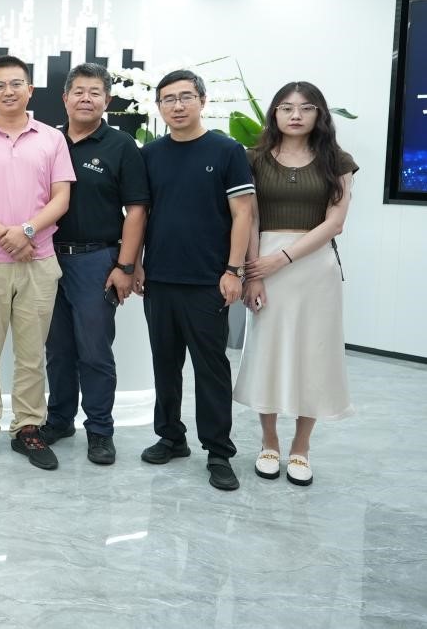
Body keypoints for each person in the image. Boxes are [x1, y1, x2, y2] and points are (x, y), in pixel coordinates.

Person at [0, 54, 74, 470]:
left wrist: (27, 232)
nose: (9, 91)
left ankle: (28, 428)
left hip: (38, 260)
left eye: (16, 83)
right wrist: (8, 236)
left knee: (32, 354)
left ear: (30, 90)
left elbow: (61, 197)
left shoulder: (51, 139)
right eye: (0, 85)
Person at [135, 69, 255, 492]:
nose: (178, 105)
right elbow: (142, 214)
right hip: (160, 278)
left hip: (209, 281)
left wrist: (234, 270)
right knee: (165, 365)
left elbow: (243, 213)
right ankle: (171, 436)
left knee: (211, 368)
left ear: (203, 101)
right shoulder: (150, 154)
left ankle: (219, 451)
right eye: (168, 99)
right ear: (159, 107)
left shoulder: (227, 150)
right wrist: (136, 264)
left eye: (186, 96)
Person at [236, 82, 357, 487]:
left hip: (314, 269)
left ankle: (301, 447)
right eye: (286, 107)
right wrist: (254, 271)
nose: (295, 115)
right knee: (267, 351)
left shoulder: (337, 160)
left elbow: (335, 222)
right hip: (264, 265)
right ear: (274, 113)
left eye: (306, 108)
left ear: (319, 114)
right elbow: (250, 218)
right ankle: (269, 441)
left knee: (314, 354)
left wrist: (282, 258)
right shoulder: (253, 159)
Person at [41, 63, 149, 466]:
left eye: (95, 92)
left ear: (107, 99)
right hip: (47, 258)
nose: (86, 99)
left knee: (94, 351)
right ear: (65, 98)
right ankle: (59, 419)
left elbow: (137, 210)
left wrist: (125, 266)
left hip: (96, 259)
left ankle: (100, 430)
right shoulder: (48, 142)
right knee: (57, 349)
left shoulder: (121, 145)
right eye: (79, 91)